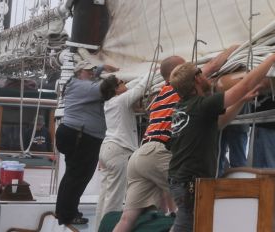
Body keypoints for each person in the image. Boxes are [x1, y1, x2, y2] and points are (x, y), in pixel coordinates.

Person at [112, 46, 238, 232]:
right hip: (158, 152)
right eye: (188, 66)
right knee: (194, 206)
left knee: (127, 218)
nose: (193, 66)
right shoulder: (176, 89)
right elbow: (212, 65)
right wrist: (234, 49)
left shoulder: (159, 96)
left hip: (140, 156)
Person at [167, 43, 275, 232]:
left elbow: (220, 122)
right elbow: (245, 84)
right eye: (202, 73)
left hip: (180, 181)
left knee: (191, 225)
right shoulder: (202, 105)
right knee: (187, 227)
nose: (206, 77)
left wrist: (241, 100)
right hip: (190, 184)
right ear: (197, 79)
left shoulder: (183, 108)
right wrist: (272, 58)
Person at [55, 57, 119, 226]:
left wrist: (102, 67)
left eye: (93, 71)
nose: (92, 73)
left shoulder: (76, 82)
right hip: (82, 137)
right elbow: (104, 87)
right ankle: (67, 215)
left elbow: (92, 74)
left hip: (74, 133)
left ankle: (63, 211)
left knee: (72, 175)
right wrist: (118, 77)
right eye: (88, 71)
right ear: (78, 72)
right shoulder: (83, 86)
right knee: (78, 177)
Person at [94, 70, 152, 225]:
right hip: (119, 152)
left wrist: (137, 78)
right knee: (115, 199)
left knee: (105, 195)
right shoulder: (121, 100)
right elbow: (140, 88)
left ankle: (99, 227)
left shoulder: (110, 102)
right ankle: (108, 228)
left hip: (108, 150)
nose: (125, 84)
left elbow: (131, 86)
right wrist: (152, 71)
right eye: (121, 83)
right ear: (115, 90)